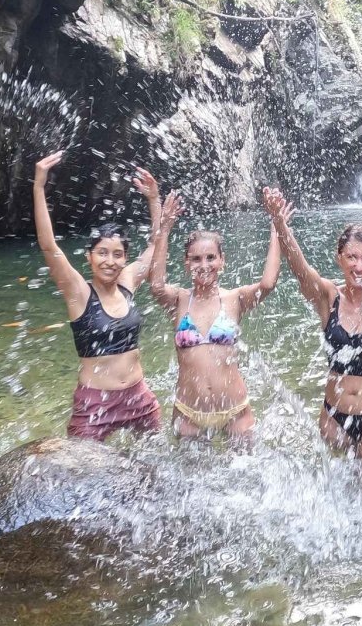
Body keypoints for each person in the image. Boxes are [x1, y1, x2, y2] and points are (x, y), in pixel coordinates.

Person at [263, 186, 362, 463]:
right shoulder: (328, 297)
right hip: (334, 416)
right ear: (339, 259)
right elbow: (300, 269)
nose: (359, 266)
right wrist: (279, 223)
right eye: (351, 257)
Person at [33, 150, 165, 441]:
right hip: (95, 402)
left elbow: (155, 247)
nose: (110, 261)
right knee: (81, 473)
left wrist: (154, 200)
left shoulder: (128, 281)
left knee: (157, 465)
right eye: (102, 253)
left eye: (118, 255)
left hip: (138, 399)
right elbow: (48, 246)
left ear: (125, 258)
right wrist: (39, 186)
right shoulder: (79, 292)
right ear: (89, 257)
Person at [146, 191, 285, 441]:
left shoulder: (234, 299)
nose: (204, 265)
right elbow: (155, 285)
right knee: (191, 479)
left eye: (211, 257)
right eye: (196, 259)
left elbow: (268, 283)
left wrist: (276, 225)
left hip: (235, 411)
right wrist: (164, 228)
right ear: (186, 264)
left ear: (222, 261)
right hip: (189, 412)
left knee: (246, 478)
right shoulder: (179, 300)